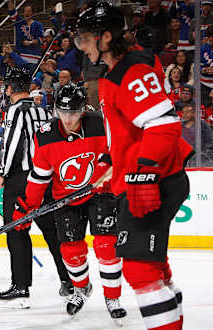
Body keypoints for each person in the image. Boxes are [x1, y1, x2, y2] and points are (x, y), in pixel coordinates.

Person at [75, 2, 193, 329]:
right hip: (149, 176)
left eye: (86, 39)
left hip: (154, 180)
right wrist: (111, 160)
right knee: (153, 266)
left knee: (140, 270)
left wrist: (141, 173)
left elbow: (165, 125)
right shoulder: (118, 72)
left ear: (106, 38)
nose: (82, 47)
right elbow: (134, 129)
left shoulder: (131, 71)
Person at [13, 84, 126, 320]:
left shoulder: (99, 124)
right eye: (62, 112)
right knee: (71, 251)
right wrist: (27, 206)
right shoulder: (44, 135)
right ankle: (81, 288)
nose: (67, 117)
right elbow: (39, 177)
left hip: (100, 193)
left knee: (106, 246)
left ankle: (112, 296)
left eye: (72, 112)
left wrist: (108, 164)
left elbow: (118, 150)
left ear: (82, 110)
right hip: (65, 197)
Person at [0, 69, 72, 309]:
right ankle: (68, 280)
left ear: (10, 89)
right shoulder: (42, 109)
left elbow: (12, 143)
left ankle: (21, 286)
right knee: (51, 232)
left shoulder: (15, 111)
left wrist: (3, 173)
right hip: (46, 179)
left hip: (21, 180)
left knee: (17, 231)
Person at [7, 0, 43, 65]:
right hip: (21, 53)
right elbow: (12, 12)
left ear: (33, 13)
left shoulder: (38, 24)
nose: (27, 13)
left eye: (29, 11)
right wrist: (9, 1)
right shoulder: (19, 22)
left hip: (34, 55)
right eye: (25, 11)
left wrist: (30, 42)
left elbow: (41, 39)